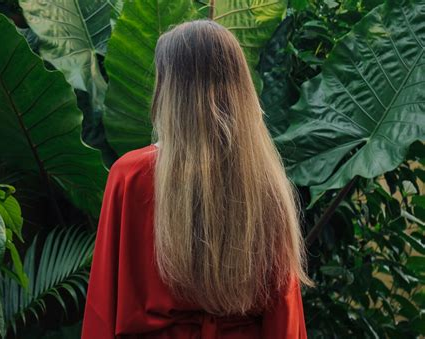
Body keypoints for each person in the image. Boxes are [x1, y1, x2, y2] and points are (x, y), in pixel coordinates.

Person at [82, 19, 315, 338]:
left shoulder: (132, 175)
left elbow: (102, 305)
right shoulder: (265, 183)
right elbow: (284, 316)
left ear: (169, 91)